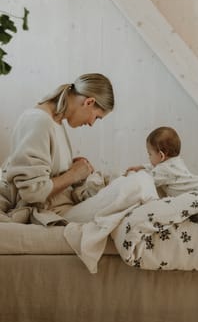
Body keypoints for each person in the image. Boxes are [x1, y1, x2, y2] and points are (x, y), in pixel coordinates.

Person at [0, 73, 115, 224]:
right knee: (130, 191)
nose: (92, 124)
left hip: (58, 205)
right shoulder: (39, 121)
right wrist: (73, 174)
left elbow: (44, 169)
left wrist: (70, 167)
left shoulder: (57, 122)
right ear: (89, 102)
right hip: (29, 207)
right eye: (97, 117)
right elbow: (32, 192)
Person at [125, 126, 198, 199]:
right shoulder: (176, 162)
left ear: (162, 155)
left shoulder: (164, 170)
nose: (148, 157)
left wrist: (132, 175)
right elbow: (155, 168)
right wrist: (140, 166)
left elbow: (145, 180)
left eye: (150, 154)